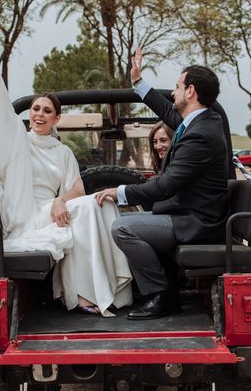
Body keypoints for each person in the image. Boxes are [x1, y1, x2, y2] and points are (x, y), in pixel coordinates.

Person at [0, 33, 132, 316]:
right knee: (84, 209)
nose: (39, 114)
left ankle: (110, 289)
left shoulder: (62, 151)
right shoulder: (17, 141)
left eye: (47, 110)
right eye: (35, 109)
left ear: (57, 118)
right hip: (23, 211)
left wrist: (60, 200)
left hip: (49, 207)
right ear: (29, 114)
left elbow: (78, 188)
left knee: (98, 203)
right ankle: (80, 295)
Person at [96, 48, 229, 320]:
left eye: (178, 87)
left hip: (196, 221)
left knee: (123, 227)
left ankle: (162, 295)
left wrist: (118, 191)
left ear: (190, 91)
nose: (173, 93)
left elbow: (164, 186)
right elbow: (168, 111)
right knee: (134, 221)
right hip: (188, 213)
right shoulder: (201, 122)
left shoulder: (201, 135)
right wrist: (138, 81)